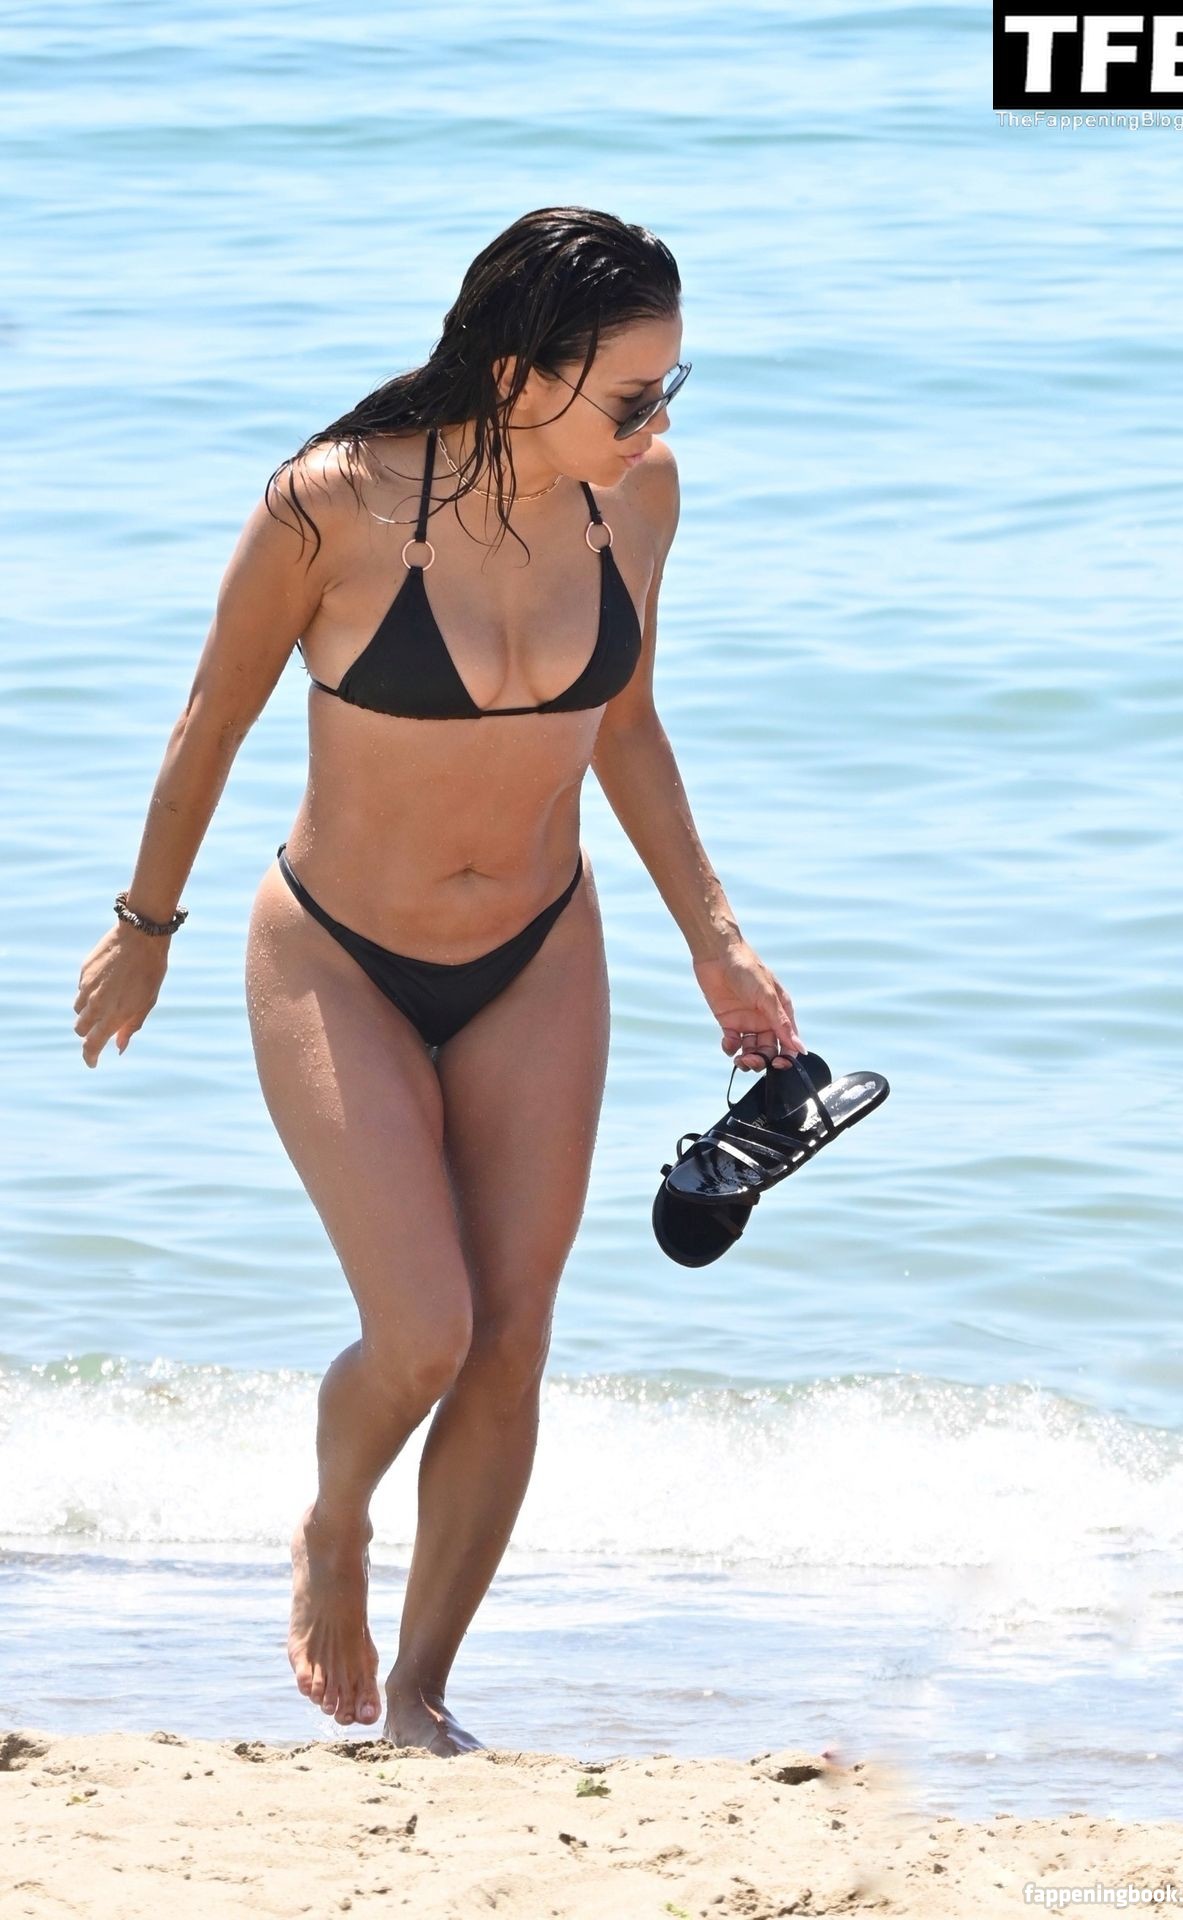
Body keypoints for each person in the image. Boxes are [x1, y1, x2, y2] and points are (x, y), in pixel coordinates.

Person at [72, 205, 808, 1755]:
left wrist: (717, 937)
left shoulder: (641, 497)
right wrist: (146, 928)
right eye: (631, 394)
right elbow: (209, 720)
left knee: (512, 1336)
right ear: (517, 373)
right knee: (423, 1330)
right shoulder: (329, 505)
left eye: (673, 389)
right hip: (337, 952)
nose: (657, 423)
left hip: (540, 951)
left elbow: (626, 725)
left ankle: (420, 1694)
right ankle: (335, 1518)